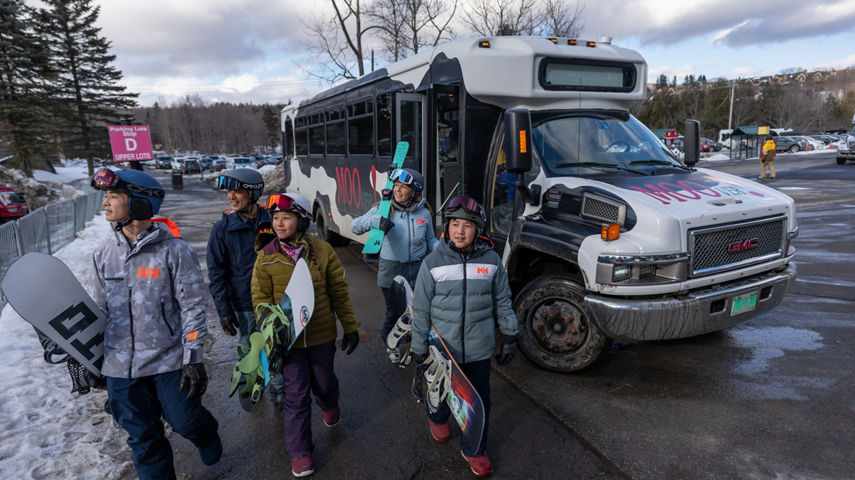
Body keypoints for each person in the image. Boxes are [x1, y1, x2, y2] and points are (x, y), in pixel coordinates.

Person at [89, 168, 221, 480]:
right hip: (121, 367)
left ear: (139, 204)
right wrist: (90, 358)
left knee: (185, 420)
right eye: (105, 197)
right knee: (143, 439)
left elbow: (192, 307)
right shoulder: (103, 253)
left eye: (113, 196)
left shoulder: (175, 252)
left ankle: (205, 433)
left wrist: (193, 357)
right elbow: (98, 308)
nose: (105, 204)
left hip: (168, 359)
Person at [251, 192, 361, 478]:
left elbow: (339, 291)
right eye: (275, 218)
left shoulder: (322, 251)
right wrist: (269, 331)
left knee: (324, 383)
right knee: (296, 396)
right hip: (288, 342)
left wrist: (350, 326)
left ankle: (329, 403)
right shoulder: (266, 257)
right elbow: (259, 299)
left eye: (286, 218)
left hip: (321, 335)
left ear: (301, 220)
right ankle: (300, 452)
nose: (279, 223)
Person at [409, 196, 518, 478]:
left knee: (477, 401)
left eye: (467, 225)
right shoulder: (432, 263)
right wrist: (419, 345)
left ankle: (475, 448)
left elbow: (503, 300)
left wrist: (509, 333)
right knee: (441, 392)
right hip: (443, 348)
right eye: (455, 224)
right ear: (447, 227)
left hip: (479, 348)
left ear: (478, 229)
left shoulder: (492, 261)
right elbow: (420, 309)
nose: (460, 231)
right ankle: (438, 416)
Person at [350, 168, 437, 363]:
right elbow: (354, 226)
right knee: (395, 312)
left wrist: (445, 250)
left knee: (419, 311)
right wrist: (376, 221)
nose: (397, 190)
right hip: (391, 271)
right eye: (396, 185)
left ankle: (418, 344)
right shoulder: (383, 208)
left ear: (414, 191)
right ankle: (391, 343)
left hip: (418, 270)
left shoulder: (424, 212)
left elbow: (431, 240)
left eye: (403, 187)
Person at [206, 169, 269, 349]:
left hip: (276, 302)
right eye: (229, 191)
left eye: (238, 191)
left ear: (253, 193)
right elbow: (216, 273)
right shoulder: (222, 229)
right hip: (245, 306)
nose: (231, 196)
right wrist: (224, 310)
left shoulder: (274, 221)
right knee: (250, 358)